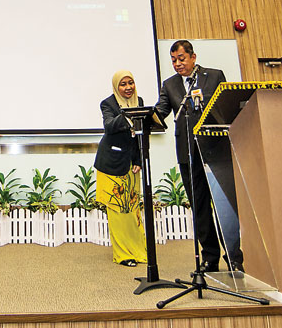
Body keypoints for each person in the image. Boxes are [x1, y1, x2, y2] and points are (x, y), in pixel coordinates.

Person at [155, 40, 243, 273]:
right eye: (173, 60)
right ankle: (210, 257)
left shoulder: (214, 76)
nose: (177, 64)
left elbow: (225, 107)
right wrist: (143, 118)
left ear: (193, 57)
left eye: (181, 59)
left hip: (216, 151)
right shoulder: (170, 85)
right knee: (200, 206)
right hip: (188, 153)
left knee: (225, 206)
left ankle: (234, 256)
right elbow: (161, 111)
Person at [93, 70, 147, 267]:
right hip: (111, 163)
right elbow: (109, 126)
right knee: (117, 210)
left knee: (132, 210)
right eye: (123, 84)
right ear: (116, 87)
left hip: (132, 163)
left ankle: (138, 251)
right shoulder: (108, 104)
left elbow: (138, 135)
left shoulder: (139, 101)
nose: (128, 87)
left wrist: (139, 160)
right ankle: (124, 255)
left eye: (130, 83)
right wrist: (128, 115)